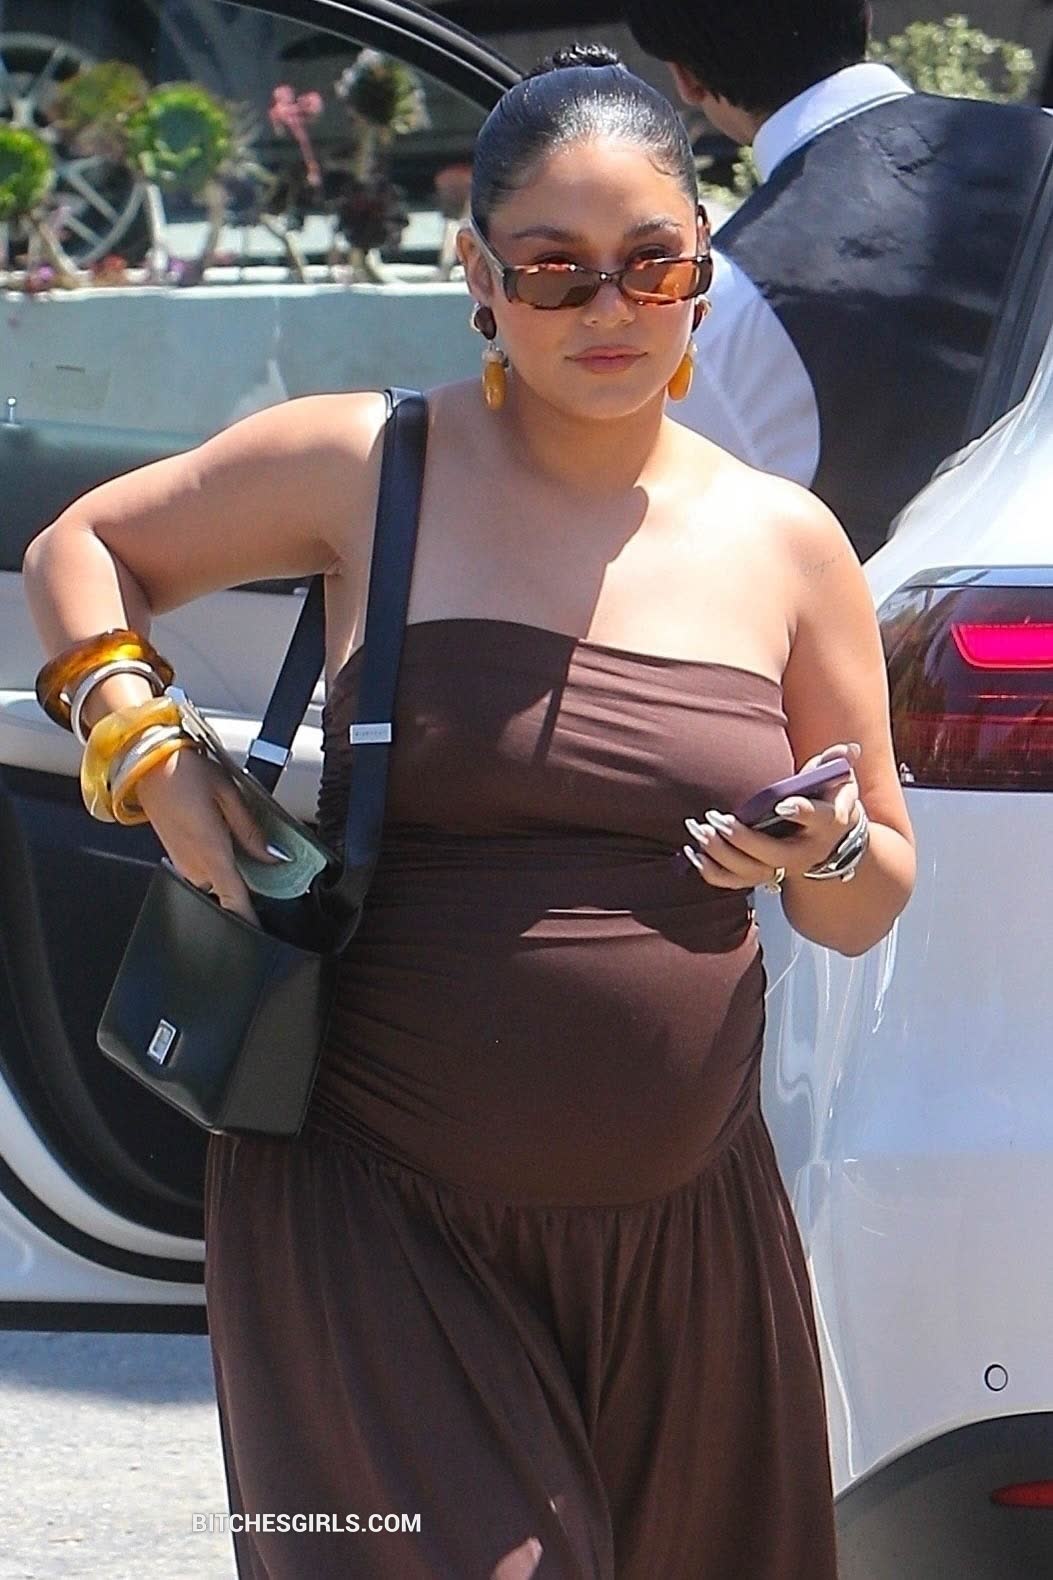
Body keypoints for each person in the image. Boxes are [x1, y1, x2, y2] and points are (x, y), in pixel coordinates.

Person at [21, 45, 915, 1580]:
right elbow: (82, 547)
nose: (609, 308)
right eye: (554, 270)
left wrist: (817, 849)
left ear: (702, 269)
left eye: (651, 263)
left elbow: (869, 890)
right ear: (478, 277)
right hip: (369, 1214)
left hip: (684, 1234)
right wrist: (148, 749)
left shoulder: (788, 543)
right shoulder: (367, 463)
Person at [625, 0, 1053, 562]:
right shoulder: (1044, 139)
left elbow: (698, 553)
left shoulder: (722, 306)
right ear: (864, 15)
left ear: (686, 79)